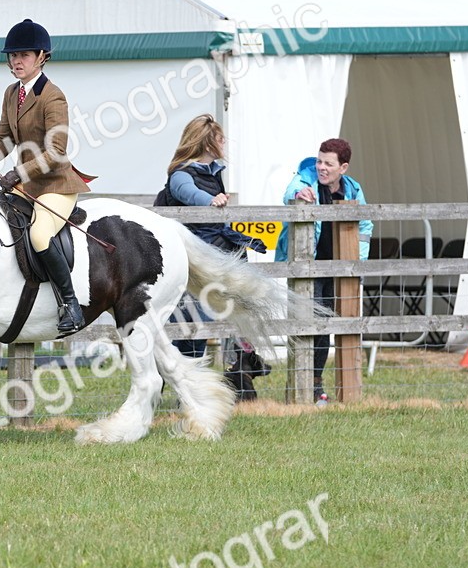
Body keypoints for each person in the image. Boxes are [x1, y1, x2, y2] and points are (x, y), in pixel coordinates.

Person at [0, 19, 94, 335]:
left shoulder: (52, 96)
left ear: (41, 56)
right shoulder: (11, 93)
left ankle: (70, 305)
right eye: (12, 55)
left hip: (55, 184)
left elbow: (56, 150)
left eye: (24, 55)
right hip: (25, 185)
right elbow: (4, 139)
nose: (16, 61)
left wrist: (18, 172)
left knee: (40, 235)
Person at [155, 114, 268, 397]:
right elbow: (187, 193)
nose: (224, 142)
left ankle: (242, 364)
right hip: (191, 262)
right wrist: (211, 201)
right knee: (187, 327)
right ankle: (171, 387)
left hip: (212, 257)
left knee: (204, 325)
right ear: (207, 141)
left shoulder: (213, 172)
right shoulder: (182, 173)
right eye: (220, 137)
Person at [275, 138, 372, 405]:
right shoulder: (306, 180)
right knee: (307, 323)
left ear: (343, 168)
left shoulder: (353, 190)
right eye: (319, 161)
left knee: (326, 328)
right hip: (308, 268)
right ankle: (300, 385)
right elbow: (290, 192)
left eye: (328, 163)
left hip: (339, 269)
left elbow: (365, 225)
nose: (321, 167)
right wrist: (298, 195)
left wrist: (356, 265)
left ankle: (316, 384)